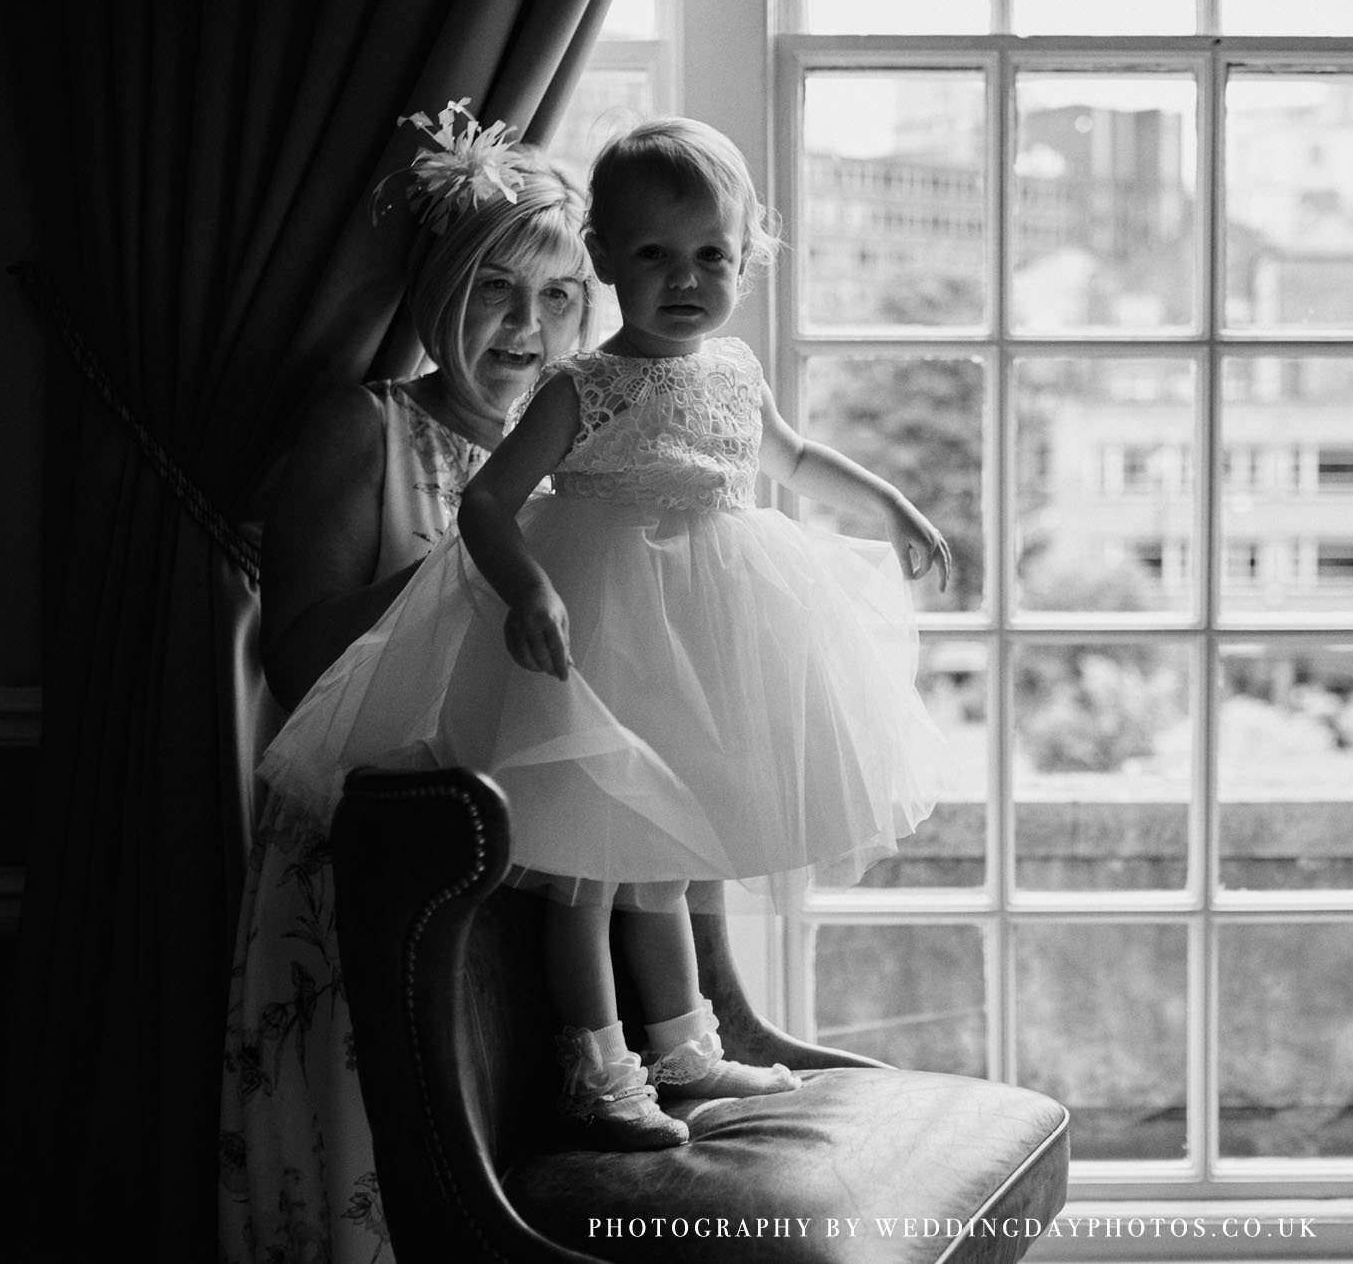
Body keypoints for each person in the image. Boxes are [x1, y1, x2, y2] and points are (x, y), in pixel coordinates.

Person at [257, 115, 954, 1153]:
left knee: (658, 852)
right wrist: (526, 584)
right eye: (494, 288)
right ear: (612, 260)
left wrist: (892, 501)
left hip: (660, 651)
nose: (685, 279)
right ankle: (598, 1066)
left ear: (747, 254)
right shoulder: (563, 394)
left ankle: (682, 1043)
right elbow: (480, 519)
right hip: (531, 702)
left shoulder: (721, 374)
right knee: (583, 870)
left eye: (711, 254)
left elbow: (796, 457)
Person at [220, 102, 597, 1262]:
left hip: (523, 876)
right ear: (438, 293)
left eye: (557, 296)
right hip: (366, 871)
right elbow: (293, 662)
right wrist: (463, 558)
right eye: (497, 290)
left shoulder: (580, 453)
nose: (528, 326)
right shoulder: (366, 428)